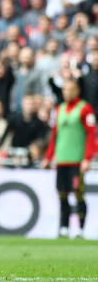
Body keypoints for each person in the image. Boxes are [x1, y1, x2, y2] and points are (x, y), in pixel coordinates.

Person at [42, 79, 94, 238]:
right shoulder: (59, 109)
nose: (67, 93)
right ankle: (64, 227)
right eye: (64, 90)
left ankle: (80, 228)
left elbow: (91, 135)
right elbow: (55, 135)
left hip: (77, 160)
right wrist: (48, 156)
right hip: (62, 160)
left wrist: (87, 158)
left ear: (77, 91)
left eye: (70, 90)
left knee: (78, 192)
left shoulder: (85, 109)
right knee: (62, 194)